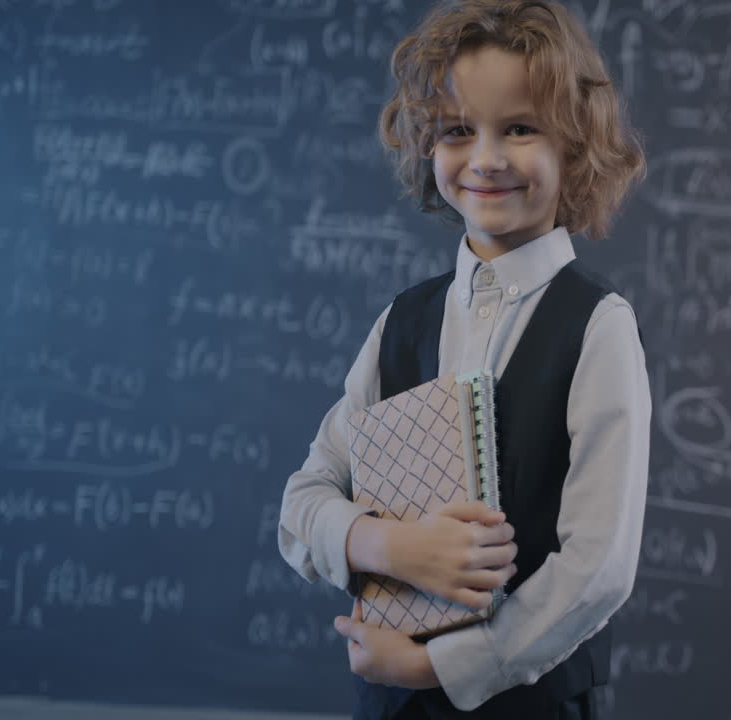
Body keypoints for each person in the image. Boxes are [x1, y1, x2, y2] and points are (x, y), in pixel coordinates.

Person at [278, 1, 649, 717]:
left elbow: (597, 567)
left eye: (518, 127)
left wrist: (440, 668)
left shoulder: (597, 327)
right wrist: (389, 547)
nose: (485, 158)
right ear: (427, 145)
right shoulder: (402, 322)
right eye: (456, 130)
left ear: (572, 144)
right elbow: (304, 501)